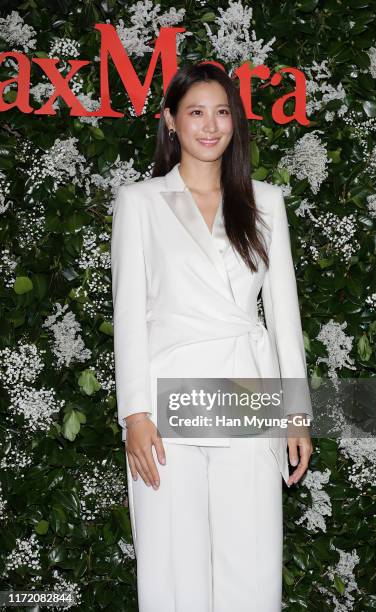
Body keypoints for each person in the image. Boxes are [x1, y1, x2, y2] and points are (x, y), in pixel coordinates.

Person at [110, 62, 314, 612]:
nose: (210, 124)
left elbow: (283, 315)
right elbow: (129, 314)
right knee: (174, 568)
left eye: (221, 112)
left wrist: (296, 414)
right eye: (196, 112)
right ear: (171, 122)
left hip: (248, 392)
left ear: (235, 123)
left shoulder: (266, 201)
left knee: (249, 562)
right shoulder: (140, 202)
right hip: (166, 401)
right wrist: (134, 414)